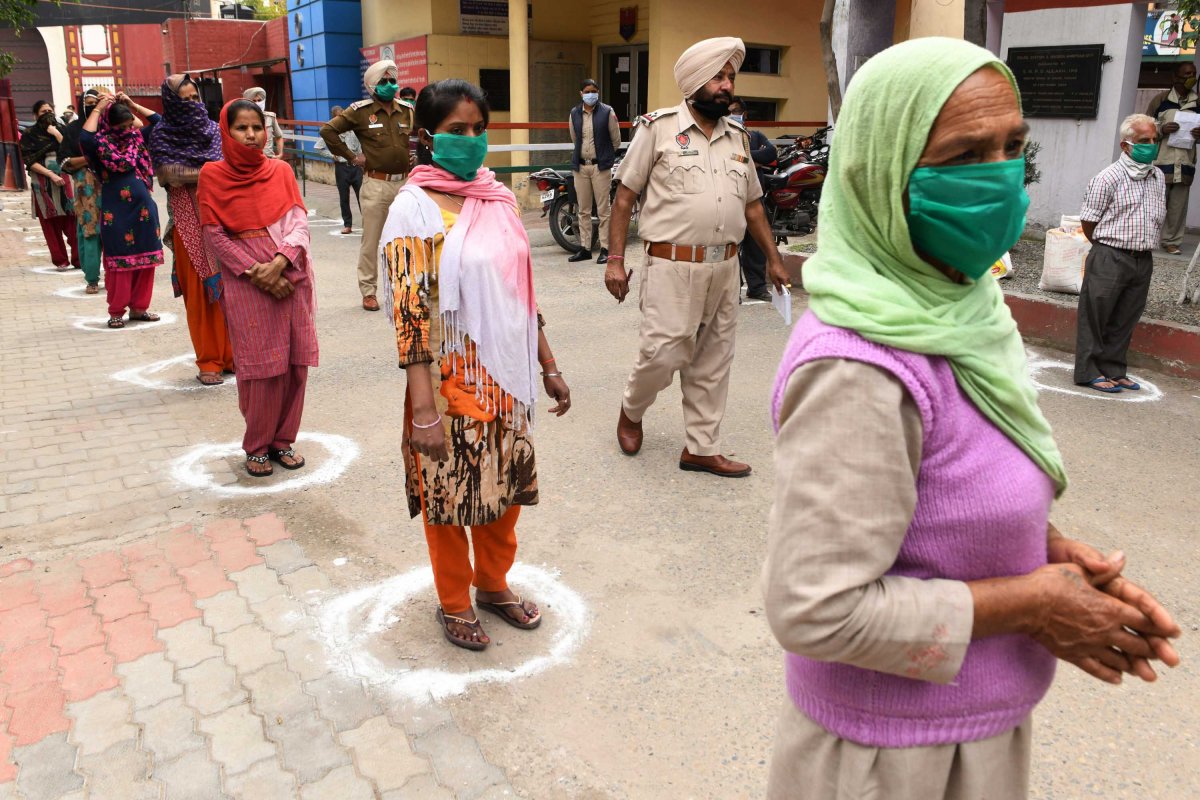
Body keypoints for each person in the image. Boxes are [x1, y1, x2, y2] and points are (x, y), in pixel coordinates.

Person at [762, 39, 1180, 800]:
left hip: (971, 734)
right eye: (963, 153)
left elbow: (939, 499)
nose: (998, 175)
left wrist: (1040, 550)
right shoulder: (860, 365)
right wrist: (1035, 603)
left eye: (1012, 148)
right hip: (887, 761)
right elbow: (814, 609)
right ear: (881, 171)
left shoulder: (960, 309)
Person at [379, 79, 571, 651]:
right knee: (447, 495)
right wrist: (423, 411)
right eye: (456, 130)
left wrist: (548, 364)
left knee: (503, 491)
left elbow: (521, 292)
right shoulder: (411, 208)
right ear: (425, 137)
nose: (470, 140)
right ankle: (455, 600)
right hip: (446, 381)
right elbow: (410, 314)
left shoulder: (499, 198)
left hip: (507, 376)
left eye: (478, 130)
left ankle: (493, 584)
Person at [605, 37, 788, 477]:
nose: (727, 86)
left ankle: (702, 447)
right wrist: (614, 259)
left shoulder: (738, 137)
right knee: (663, 353)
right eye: (718, 77)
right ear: (693, 83)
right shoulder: (658, 129)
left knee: (714, 358)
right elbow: (625, 198)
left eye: (730, 77)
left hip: (725, 267)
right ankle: (632, 409)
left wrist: (774, 259)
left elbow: (752, 206)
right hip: (672, 265)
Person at [199, 99, 318, 477]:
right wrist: (256, 272)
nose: (251, 135)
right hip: (247, 284)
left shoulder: (281, 171)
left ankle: (283, 440)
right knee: (261, 367)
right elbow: (214, 236)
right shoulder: (212, 176)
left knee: (295, 363)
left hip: (292, 276)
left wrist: (281, 261)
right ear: (226, 131)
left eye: (257, 128)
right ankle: (257, 444)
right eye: (241, 128)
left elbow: (299, 222)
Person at [150, 74, 235, 386]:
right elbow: (167, 175)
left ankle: (230, 356)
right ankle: (209, 361)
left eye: (195, 98)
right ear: (172, 103)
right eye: (184, 100)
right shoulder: (162, 134)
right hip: (187, 224)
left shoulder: (214, 129)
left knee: (229, 290)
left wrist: (194, 174)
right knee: (200, 295)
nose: (192, 105)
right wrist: (207, 173)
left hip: (222, 217)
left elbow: (224, 168)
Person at [1074, 114, 1166, 394]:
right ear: (1126, 145)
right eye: (1143, 141)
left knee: (1125, 317)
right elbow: (1089, 221)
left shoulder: (1157, 176)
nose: (1151, 145)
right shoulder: (1107, 178)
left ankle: (1113, 368)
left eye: (1154, 139)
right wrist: (1107, 248)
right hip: (1110, 255)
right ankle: (1088, 371)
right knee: (1096, 316)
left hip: (1142, 259)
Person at [319, 59, 415, 312]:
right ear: (372, 85)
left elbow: (419, 136)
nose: (390, 85)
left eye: (392, 80)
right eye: (383, 81)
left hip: (404, 184)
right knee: (371, 241)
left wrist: (414, 156)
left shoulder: (406, 110)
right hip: (376, 184)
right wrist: (352, 157)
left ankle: (402, 287)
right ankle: (369, 291)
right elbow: (328, 131)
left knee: (404, 239)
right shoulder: (361, 111)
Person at [79, 92, 163, 328]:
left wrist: (132, 105)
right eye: (122, 126)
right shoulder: (99, 145)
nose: (128, 129)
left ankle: (139, 308)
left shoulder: (136, 139)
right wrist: (99, 107)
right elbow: (85, 136)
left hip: (143, 208)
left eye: (130, 125)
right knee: (119, 261)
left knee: (146, 260)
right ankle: (116, 311)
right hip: (115, 211)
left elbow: (159, 122)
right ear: (110, 125)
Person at [1146, 62, 1200, 254]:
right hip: (1162, 162)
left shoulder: (1198, 102)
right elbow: (1143, 128)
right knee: (1154, 204)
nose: (1191, 76)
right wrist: (1161, 129)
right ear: (1175, 77)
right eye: (1187, 73)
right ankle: (1147, 238)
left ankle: (1172, 242)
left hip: (1185, 163)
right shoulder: (1160, 100)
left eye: (1193, 73)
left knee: (1178, 207)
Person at [728, 97, 777, 303]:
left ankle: (756, 288)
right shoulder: (725, 137)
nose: (733, 115)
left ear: (744, 114)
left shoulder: (754, 136)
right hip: (731, 200)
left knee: (756, 246)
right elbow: (729, 156)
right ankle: (732, 291)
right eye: (729, 111)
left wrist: (744, 157)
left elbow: (771, 153)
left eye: (737, 111)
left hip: (755, 199)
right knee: (730, 248)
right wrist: (750, 160)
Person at [21, 99, 79, 272]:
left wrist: (57, 134)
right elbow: (29, 161)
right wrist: (51, 174)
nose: (47, 115)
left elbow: (70, 150)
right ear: (35, 115)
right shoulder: (30, 134)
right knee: (50, 225)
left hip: (66, 183)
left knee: (73, 221)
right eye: (42, 112)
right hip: (43, 184)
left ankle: (78, 259)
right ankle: (60, 260)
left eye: (49, 111)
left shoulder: (63, 131)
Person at [567, 78, 621, 264]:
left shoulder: (607, 111)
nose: (591, 94)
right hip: (581, 166)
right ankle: (585, 248)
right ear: (581, 93)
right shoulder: (574, 113)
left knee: (604, 209)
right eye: (587, 91)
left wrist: (604, 156)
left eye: (594, 91)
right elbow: (575, 139)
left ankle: (605, 249)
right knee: (583, 210)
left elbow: (616, 140)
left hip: (601, 167)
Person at [59, 89, 104, 292]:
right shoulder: (73, 130)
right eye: (89, 103)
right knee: (89, 230)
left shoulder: (108, 126)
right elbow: (65, 162)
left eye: (97, 103)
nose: (93, 107)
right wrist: (89, 159)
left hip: (110, 185)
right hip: (85, 188)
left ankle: (116, 275)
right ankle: (92, 278)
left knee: (113, 230)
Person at [314, 104, 363, 234]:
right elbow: (318, 148)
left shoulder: (353, 131)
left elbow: (360, 147)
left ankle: (367, 223)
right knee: (344, 198)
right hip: (341, 168)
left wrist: (361, 160)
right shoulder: (330, 133)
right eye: (338, 118)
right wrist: (332, 156)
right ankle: (348, 225)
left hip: (355, 167)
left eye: (343, 117)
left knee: (362, 196)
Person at [243, 87, 285, 159]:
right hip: (250, 159)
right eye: (254, 101)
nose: (257, 103)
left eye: (259, 100)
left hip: (269, 158)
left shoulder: (270, 117)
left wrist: (280, 154)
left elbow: (279, 136)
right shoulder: (242, 118)